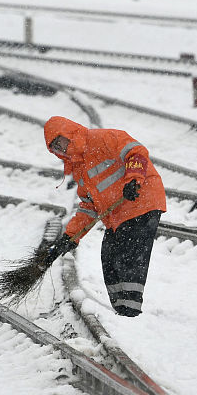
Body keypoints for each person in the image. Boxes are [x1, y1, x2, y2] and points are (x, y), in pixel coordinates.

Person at [41, 116, 167, 317]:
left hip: (142, 201)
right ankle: (122, 310)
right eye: (55, 147)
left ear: (68, 133)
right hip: (119, 214)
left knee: (127, 255)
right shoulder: (79, 169)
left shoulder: (103, 138)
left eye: (59, 141)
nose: (60, 148)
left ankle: (130, 312)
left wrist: (133, 180)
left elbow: (136, 152)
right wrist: (70, 237)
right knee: (109, 256)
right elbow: (89, 207)